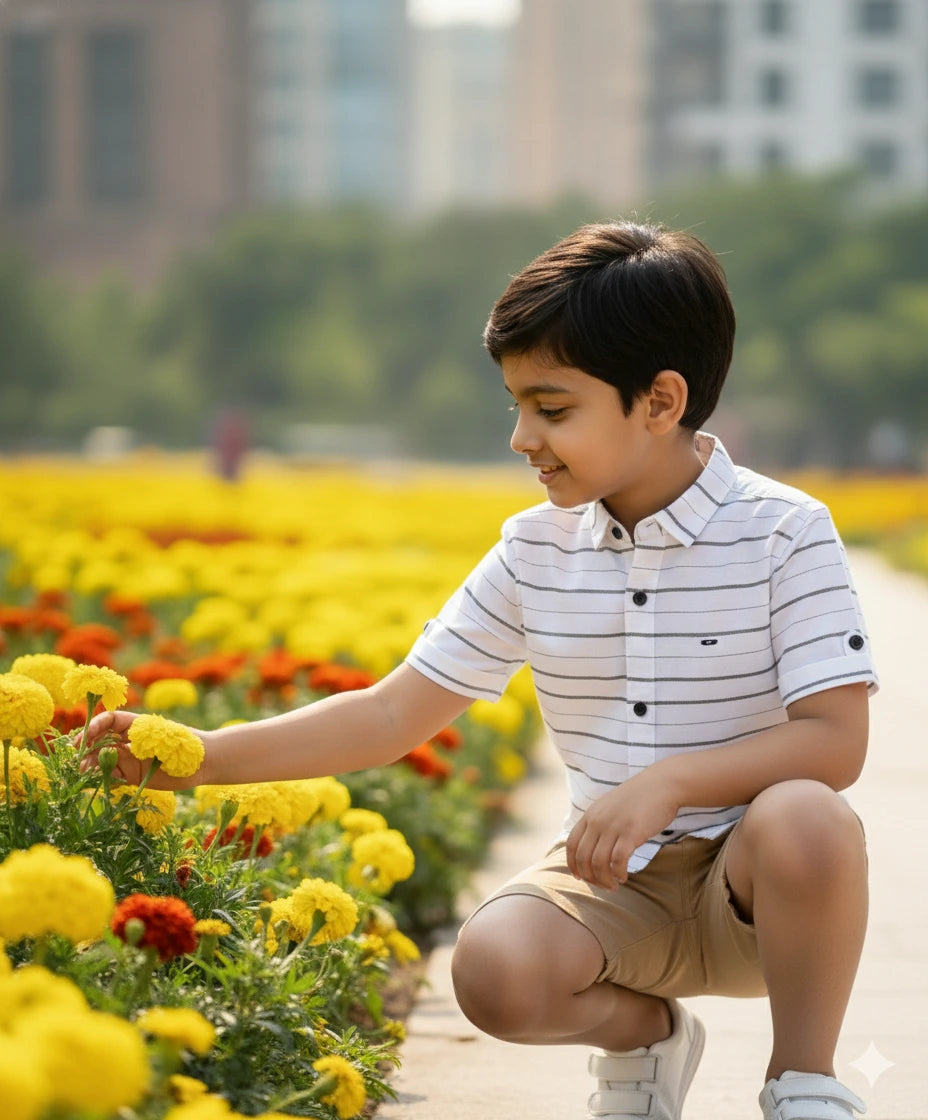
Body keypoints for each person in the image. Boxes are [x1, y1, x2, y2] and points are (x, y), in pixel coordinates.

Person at [80, 222, 877, 1120]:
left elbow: (835, 741)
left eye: (553, 407)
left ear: (659, 401)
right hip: (610, 885)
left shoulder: (785, 530)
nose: (521, 437)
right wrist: (198, 754)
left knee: (809, 814)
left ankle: (803, 1082)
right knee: (493, 972)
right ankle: (647, 1038)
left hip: (762, 896)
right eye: (516, 405)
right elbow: (391, 717)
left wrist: (672, 782)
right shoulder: (534, 550)